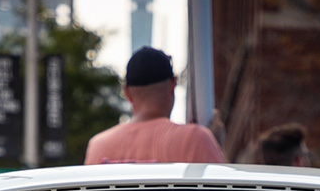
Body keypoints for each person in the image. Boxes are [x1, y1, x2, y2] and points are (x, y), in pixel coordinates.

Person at [85, 47, 226, 165]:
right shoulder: (195, 139)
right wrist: (216, 144)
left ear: (126, 92)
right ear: (173, 84)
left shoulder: (98, 147)